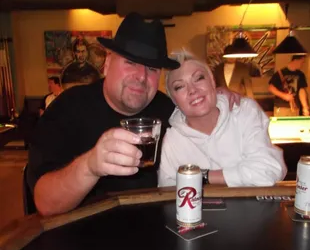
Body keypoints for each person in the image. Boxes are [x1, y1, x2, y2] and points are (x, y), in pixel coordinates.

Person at [27, 13, 240, 217]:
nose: (141, 76)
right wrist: (91, 165)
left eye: (152, 68)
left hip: (158, 235)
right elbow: (45, 203)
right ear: (107, 63)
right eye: (130, 62)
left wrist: (216, 98)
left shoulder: (170, 112)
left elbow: (217, 144)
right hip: (86, 241)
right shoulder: (67, 108)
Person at [158, 49, 287, 187]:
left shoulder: (243, 111)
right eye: (179, 86)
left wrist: (203, 176)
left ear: (213, 82)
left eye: (199, 78)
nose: (192, 90)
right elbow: (167, 194)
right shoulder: (172, 139)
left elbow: (269, 169)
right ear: (174, 100)